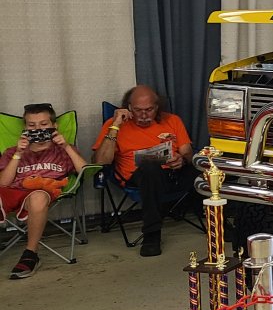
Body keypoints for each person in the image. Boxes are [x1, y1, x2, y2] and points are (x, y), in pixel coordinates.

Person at [92, 85, 197, 257]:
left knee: (209, 165)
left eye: (149, 110)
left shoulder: (172, 120)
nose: (143, 115)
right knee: (150, 168)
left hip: (172, 174)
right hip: (139, 177)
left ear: (157, 107)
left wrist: (182, 159)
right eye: (138, 110)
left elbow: (187, 152)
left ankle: (222, 224)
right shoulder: (114, 125)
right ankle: (152, 235)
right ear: (129, 107)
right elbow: (100, 162)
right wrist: (116, 125)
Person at [0, 103, 88, 279]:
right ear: (25, 128)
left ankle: (30, 254)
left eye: (43, 124)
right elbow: (3, 183)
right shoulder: (12, 152)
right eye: (31, 126)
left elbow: (86, 170)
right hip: (11, 192)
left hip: (43, 193)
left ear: (54, 127)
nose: (37, 129)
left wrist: (66, 146)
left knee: (38, 196)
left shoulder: (63, 151)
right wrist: (19, 153)